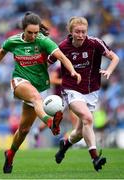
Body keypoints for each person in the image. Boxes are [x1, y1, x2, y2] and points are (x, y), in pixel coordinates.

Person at [0, 12, 81, 174]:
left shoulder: (43, 41)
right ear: (23, 30)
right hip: (19, 82)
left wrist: (73, 71)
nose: (34, 35)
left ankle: (10, 154)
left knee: (24, 130)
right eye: (30, 33)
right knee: (35, 98)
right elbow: (1, 51)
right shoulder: (13, 41)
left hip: (40, 86)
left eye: (36, 32)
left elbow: (61, 57)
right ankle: (51, 123)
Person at [48, 16, 119, 171]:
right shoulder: (63, 47)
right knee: (87, 118)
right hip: (71, 89)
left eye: (83, 32)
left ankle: (64, 146)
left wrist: (109, 70)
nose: (81, 35)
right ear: (70, 32)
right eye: (77, 32)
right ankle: (95, 158)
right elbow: (47, 62)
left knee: (80, 132)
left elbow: (115, 57)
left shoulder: (95, 43)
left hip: (92, 91)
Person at [33, 62, 78, 147]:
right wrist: (65, 82)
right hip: (59, 98)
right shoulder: (60, 66)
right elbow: (52, 79)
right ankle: (38, 130)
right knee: (55, 119)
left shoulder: (73, 65)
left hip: (69, 95)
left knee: (74, 118)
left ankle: (69, 140)